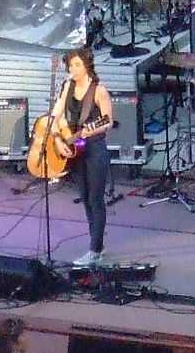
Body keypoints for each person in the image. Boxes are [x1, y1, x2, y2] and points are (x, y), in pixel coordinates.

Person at [50, 47, 113, 267]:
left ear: (87, 66)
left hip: (95, 148)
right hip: (75, 148)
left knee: (96, 199)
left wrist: (91, 131)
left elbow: (108, 121)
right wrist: (57, 138)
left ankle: (95, 251)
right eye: (70, 65)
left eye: (77, 65)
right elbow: (56, 116)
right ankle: (97, 243)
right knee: (85, 197)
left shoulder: (99, 90)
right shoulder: (67, 87)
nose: (73, 69)